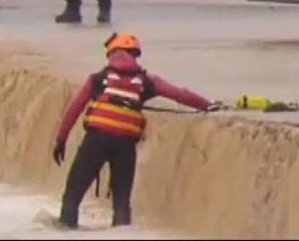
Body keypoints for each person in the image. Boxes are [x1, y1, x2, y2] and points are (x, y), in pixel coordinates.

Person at [52, 33, 222, 229]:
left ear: (111, 54)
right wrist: (207, 105)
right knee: (121, 202)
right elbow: (180, 95)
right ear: (135, 55)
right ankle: (122, 234)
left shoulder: (98, 79)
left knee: (73, 195)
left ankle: (65, 231)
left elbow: (74, 109)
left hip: (95, 141)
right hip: (125, 146)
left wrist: (61, 140)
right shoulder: (147, 81)